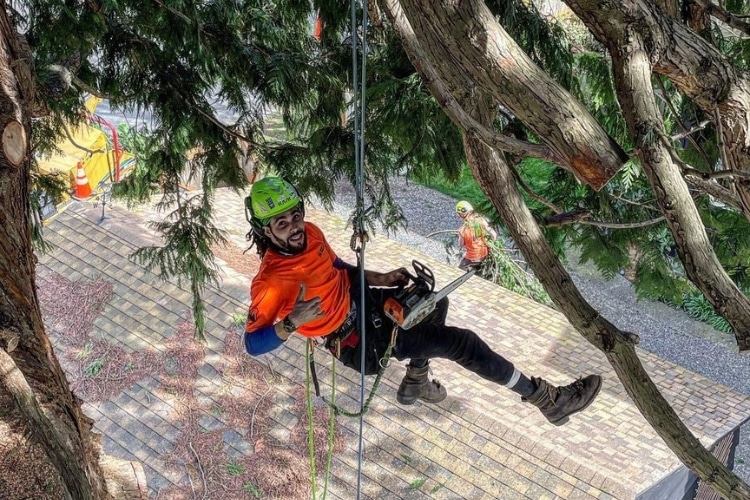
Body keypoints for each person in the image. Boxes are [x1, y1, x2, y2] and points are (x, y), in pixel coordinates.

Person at [243, 177, 602, 425]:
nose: (294, 227)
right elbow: (253, 343)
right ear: (265, 230)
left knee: (431, 302)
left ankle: (416, 378)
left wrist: (379, 278)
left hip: (361, 301)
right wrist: (290, 323)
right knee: (460, 342)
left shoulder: (312, 234)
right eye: (281, 224)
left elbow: (336, 267)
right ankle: (547, 400)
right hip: (356, 339)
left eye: (296, 216)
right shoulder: (272, 282)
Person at [455, 201, 498, 272]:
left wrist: (460, 236)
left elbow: (461, 244)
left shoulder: (462, 230)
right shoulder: (481, 220)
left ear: (460, 214)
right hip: (484, 253)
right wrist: (491, 244)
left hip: (472, 257)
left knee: (459, 273)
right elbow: (494, 234)